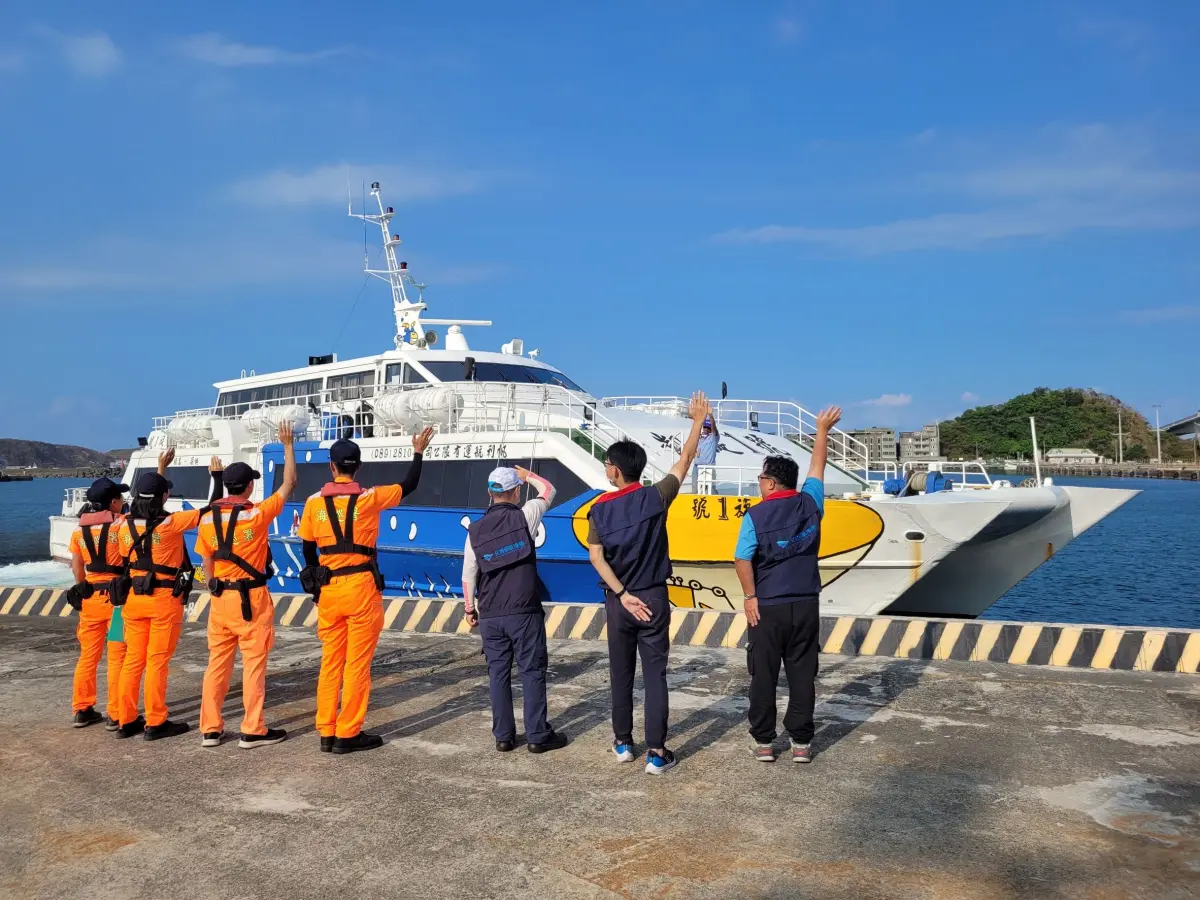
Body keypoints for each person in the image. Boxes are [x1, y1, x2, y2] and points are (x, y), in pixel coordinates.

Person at [587, 391, 711, 775]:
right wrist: (697, 421)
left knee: (621, 674)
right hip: (654, 598)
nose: (606, 469)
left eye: (607, 464)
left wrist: (622, 595)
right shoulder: (657, 497)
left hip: (618, 602)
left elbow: (596, 557)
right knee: (655, 676)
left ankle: (623, 743)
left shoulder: (599, 510)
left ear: (615, 471)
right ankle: (657, 753)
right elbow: (686, 459)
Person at [297, 427, 433, 754]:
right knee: (357, 664)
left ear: (332, 466)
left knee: (331, 662)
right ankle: (348, 732)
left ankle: (326, 731)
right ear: (358, 467)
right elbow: (409, 484)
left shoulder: (314, 504)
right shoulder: (369, 498)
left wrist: (317, 589)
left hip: (328, 589)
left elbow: (307, 549)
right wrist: (418, 450)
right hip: (361, 587)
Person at [733, 406, 842, 764]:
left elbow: (742, 558)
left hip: (768, 605)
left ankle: (764, 741)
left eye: (762, 478)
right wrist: (822, 430)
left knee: (763, 674)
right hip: (806, 603)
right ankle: (801, 742)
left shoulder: (755, 514)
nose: (759, 483)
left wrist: (750, 596)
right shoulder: (810, 503)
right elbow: (817, 467)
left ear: (772, 482)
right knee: (801, 673)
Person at [195, 422, 297, 750]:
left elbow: (207, 559)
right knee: (253, 665)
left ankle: (210, 728)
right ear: (249, 487)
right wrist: (288, 445)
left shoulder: (208, 518)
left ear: (227, 486)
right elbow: (289, 483)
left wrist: (212, 583)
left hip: (220, 598)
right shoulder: (257, 515)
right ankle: (252, 729)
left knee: (216, 664)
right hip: (251, 598)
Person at [114, 450, 224, 740]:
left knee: (133, 660)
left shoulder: (123, 525)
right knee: (157, 660)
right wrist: (217, 477)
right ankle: (155, 721)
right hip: (164, 601)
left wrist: (160, 468)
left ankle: (125, 720)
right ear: (163, 497)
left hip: (133, 602)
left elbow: (151, 497)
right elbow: (211, 508)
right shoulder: (171, 524)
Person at [462, 466, 566, 754]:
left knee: (498, 674)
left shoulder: (474, 530)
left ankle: (504, 737)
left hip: (491, 615)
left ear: (489, 493)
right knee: (532, 671)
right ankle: (537, 735)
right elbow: (549, 491)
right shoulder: (526, 515)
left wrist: (470, 609)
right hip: (524, 612)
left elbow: (468, 574)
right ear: (516, 492)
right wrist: (528, 474)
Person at [66, 476, 130, 729]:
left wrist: (84, 586)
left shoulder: (78, 531)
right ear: (113, 502)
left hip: (90, 600)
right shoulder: (121, 526)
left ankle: (82, 709)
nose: (123, 502)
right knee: (117, 656)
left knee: (88, 656)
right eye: (121, 498)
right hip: (116, 604)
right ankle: (116, 713)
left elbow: (77, 566)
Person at [692, 414, 720, 490]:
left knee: (710, 489)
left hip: (708, 467)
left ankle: (716, 500)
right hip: (696, 466)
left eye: (708, 427)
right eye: (705, 427)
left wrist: (711, 415)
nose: (706, 429)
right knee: (695, 488)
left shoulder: (714, 437)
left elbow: (714, 427)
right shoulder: (700, 438)